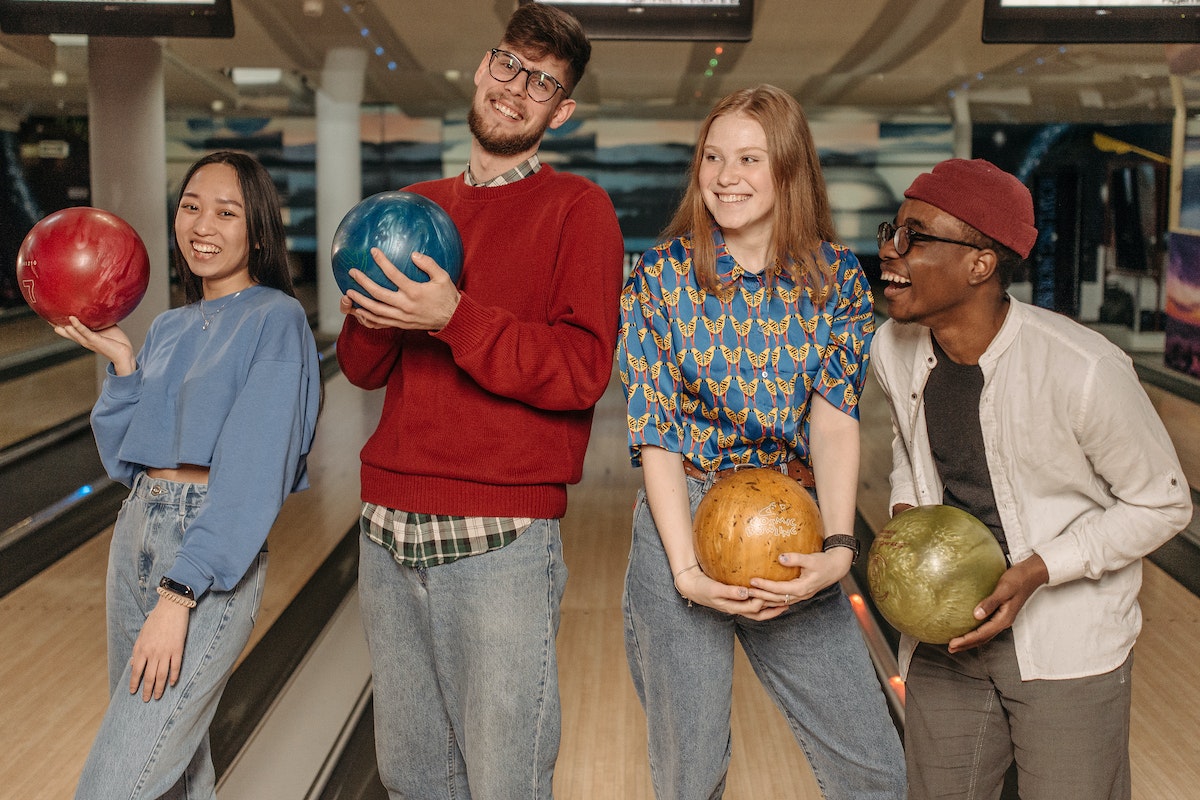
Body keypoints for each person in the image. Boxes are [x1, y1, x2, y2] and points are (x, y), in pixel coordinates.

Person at [334, 4, 624, 797]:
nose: (515, 89)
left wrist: (453, 318)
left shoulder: (578, 210)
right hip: (388, 528)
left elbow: (582, 368)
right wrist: (367, 317)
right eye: (508, 65)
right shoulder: (412, 208)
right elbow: (361, 370)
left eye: (542, 83)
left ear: (559, 111)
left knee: (505, 779)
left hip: (500, 538)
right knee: (412, 775)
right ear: (481, 68)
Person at [870, 157, 1193, 800]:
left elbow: (1164, 505)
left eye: (916, 236)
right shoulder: (893, 347)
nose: (889, 251)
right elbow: (911, 448)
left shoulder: (1084, 371)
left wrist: (1041, 568)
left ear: (980, 263)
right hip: (947, 636)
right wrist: (908, 508)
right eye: (892, 230)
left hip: (1064, 645)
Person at [618, 84, 906, 800]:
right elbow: (655, 432)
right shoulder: (657, 278)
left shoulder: (837, 278)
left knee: (875, 770)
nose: (725, 176)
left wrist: (838, 551)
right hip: (682, 513)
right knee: (690, 777)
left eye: (749, 158)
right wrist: (686, 573)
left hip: (792, 521)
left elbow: (835, 418)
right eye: (713, 157)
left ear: (788, 169)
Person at [55, 150, 322, 798]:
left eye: (226, 212)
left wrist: (179, 596)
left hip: (202, 555)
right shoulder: (169, 327)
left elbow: (254, 476)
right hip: (138, 528)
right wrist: (123, 362)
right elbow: (126, 458)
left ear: (257, 231)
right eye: (191, 206)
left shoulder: (275, 320)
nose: (202, 224)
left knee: (116, 781)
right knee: (172, 773)